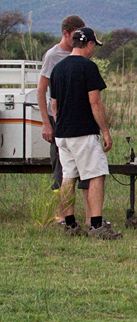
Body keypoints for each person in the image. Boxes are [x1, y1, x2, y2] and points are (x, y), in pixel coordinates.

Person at [50, 27, 121, 240]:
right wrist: (106, 132)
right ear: (89, 43)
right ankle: (96, 225)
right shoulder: (88, 67)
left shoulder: (58, 69)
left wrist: (59, 125)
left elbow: (54, 104)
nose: (93, 51)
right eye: (94, 46)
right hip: (83, 132)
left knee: (68, 177)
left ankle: (69, 224)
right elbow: (95, 101)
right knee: (96, 175)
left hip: (62, 133)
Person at [36, 15, 92, 204]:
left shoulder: (80, 53)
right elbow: (42, 89)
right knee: (61, 168)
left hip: (77, 116)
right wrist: (46, 123)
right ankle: (59, 211)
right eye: (74, 36)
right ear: (65, 34)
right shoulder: (53, 56)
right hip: (57, 118)